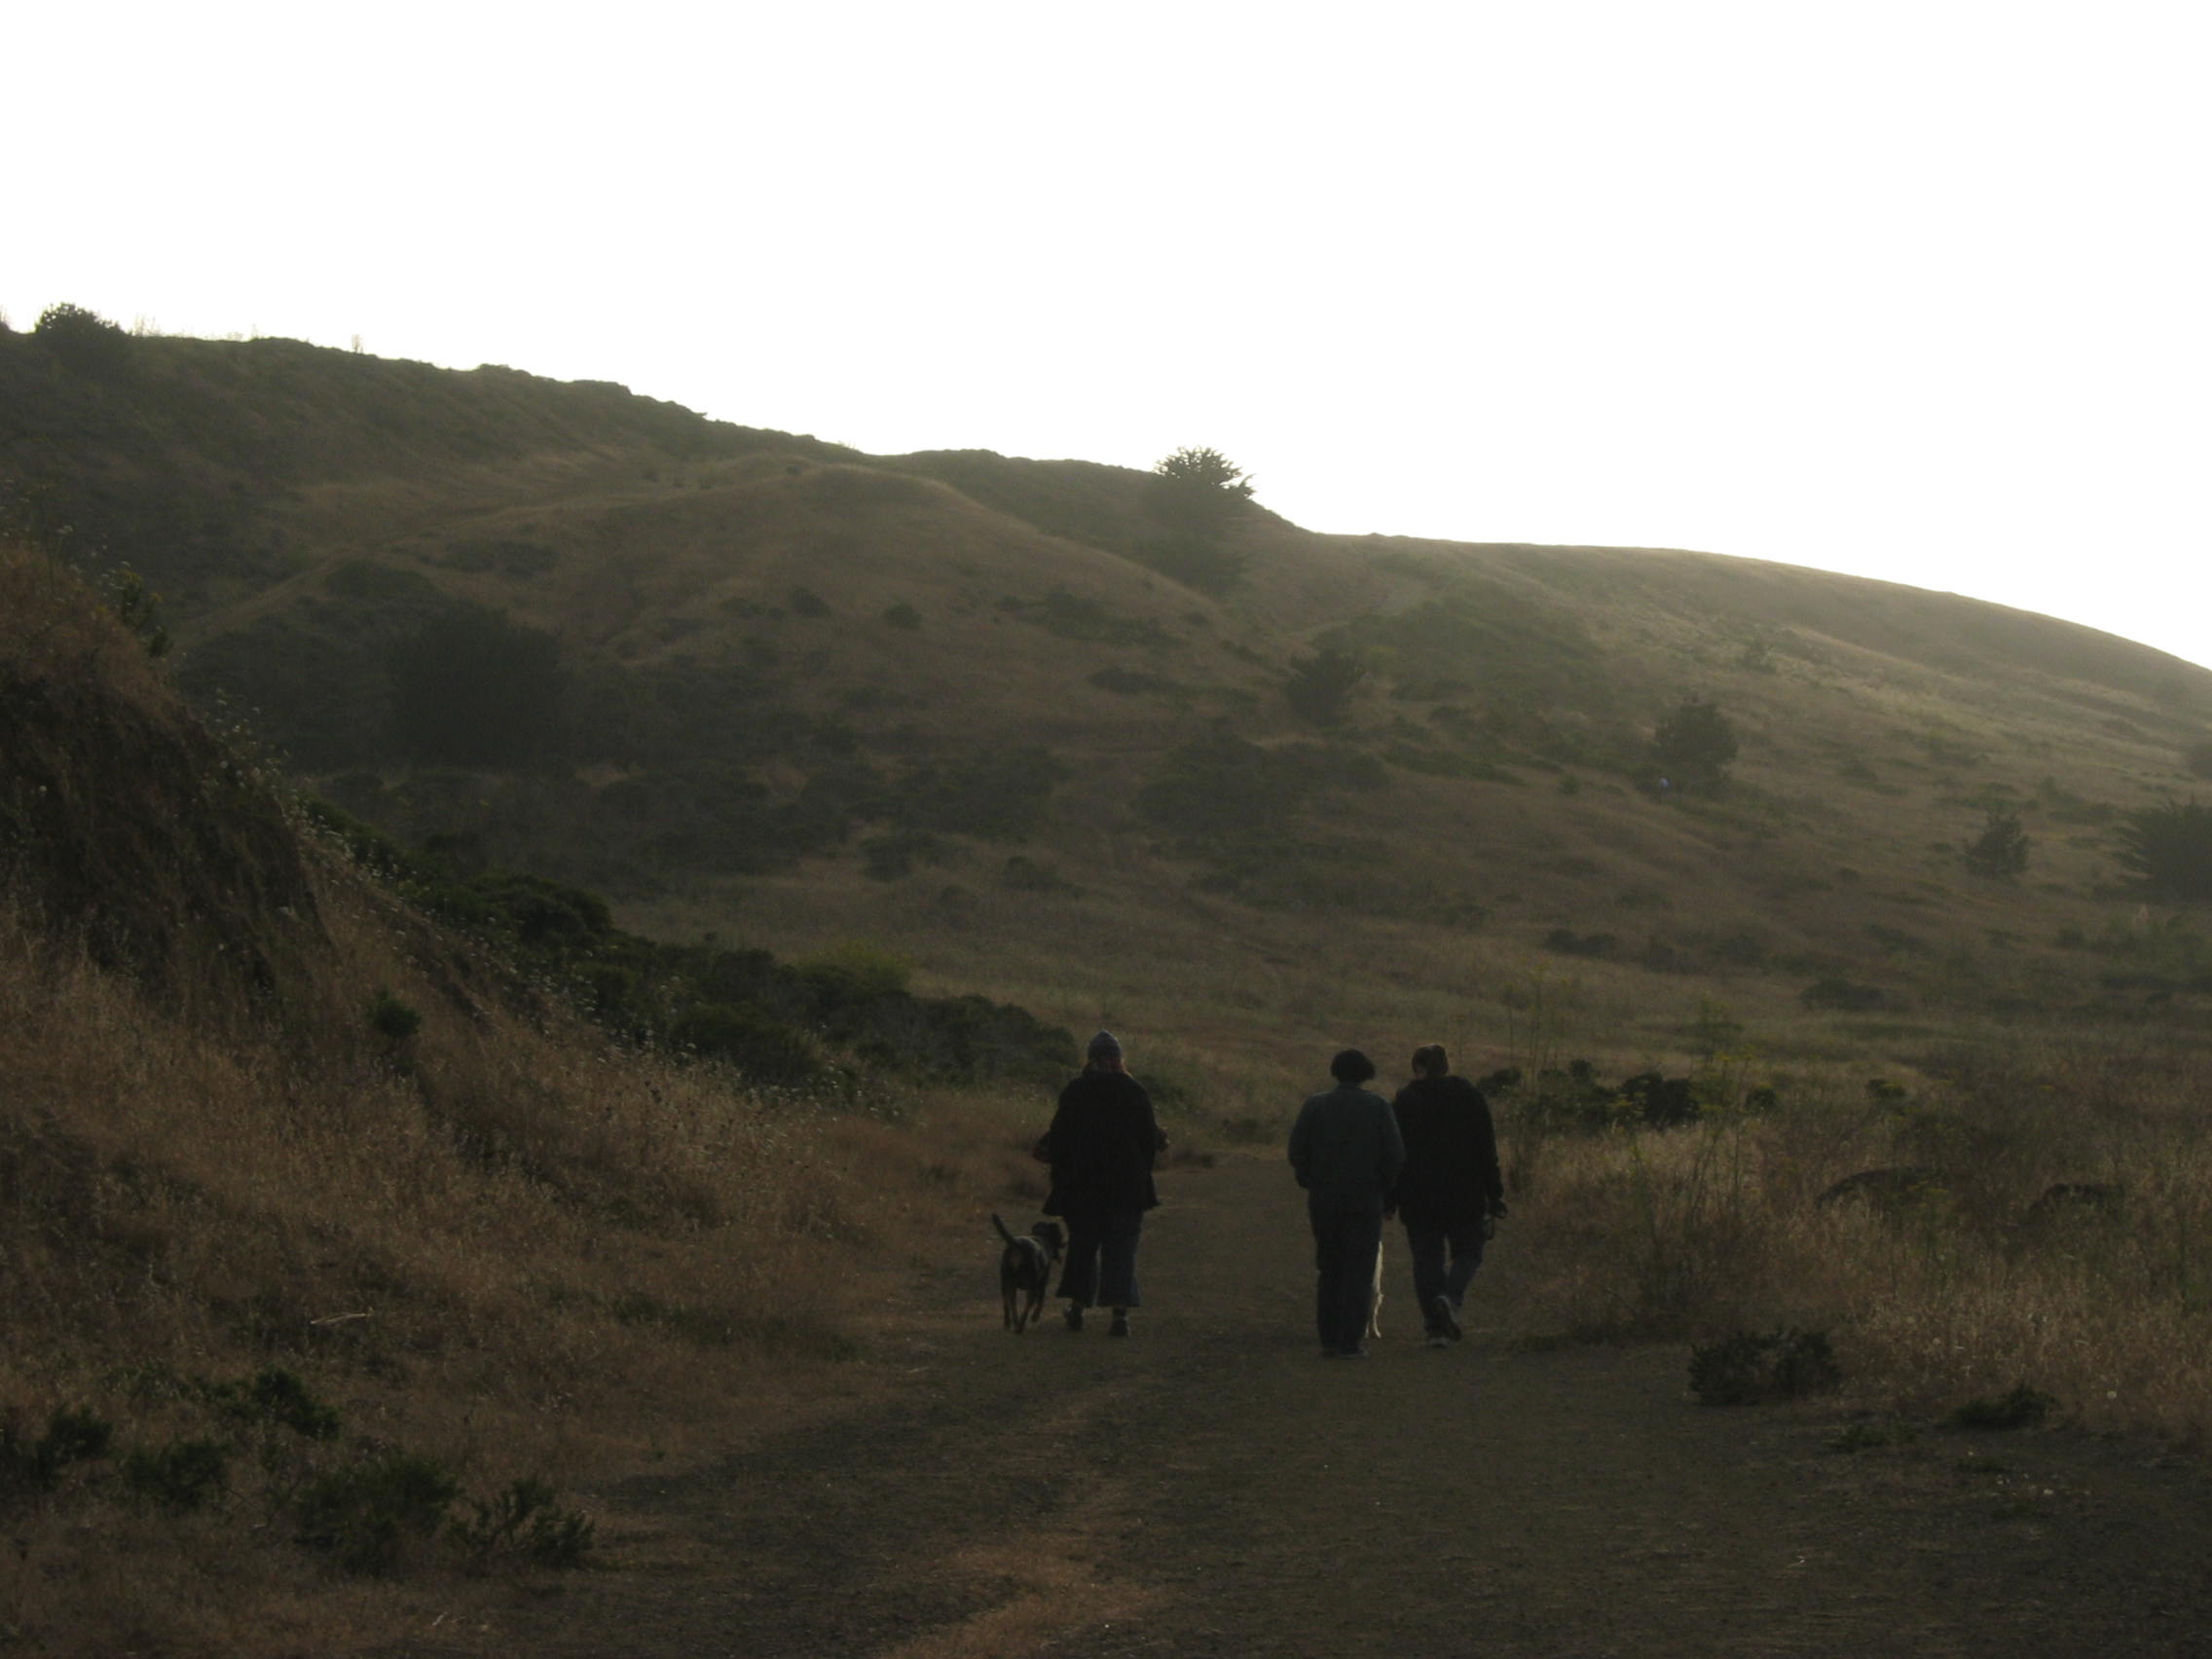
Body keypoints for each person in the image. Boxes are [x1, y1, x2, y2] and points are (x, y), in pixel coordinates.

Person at [1039, 1030, 1163, 1337]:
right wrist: (1139, 1173)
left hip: (1082, 1188)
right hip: (1126, 1189)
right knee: (1121, 1250)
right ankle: (1119, 1316)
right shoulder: (1134, 1090)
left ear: (1091, 1058)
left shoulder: (1076, 1091)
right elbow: (1149, 1140)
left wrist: (1063, 1176)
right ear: (1117, 1058)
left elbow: (1058, 1140)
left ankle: (1078, 1309)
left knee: (1083, 1247)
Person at [1288, 1049, 1404, 1358]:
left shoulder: (1315, 1105)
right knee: (1360, 1270)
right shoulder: (1378, 1107)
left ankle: (1329, 1337)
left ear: (1335, 1071)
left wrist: (1309, 1178)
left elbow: (1296, 1150)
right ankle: (1350, 1342)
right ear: (1366, 1074)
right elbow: (1395, 1155)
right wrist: (1384, 1188)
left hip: (1324, 1199)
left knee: (1329, 1268)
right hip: (1365, 1200)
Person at [1390, 1044, 1505, 1347]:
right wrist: (1495, 1194)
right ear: (1446, 1067)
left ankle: (1435, 1329)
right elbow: (1486, 1150)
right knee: (1469, 1252)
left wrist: (1390, 1198)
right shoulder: (1469, 1096)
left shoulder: (1405, 1100)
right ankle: (1451, 1298)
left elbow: (1394, 1155)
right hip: (1465, 1193)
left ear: (1418, 1068)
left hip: (1417, 1196)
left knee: (1427, 1260)